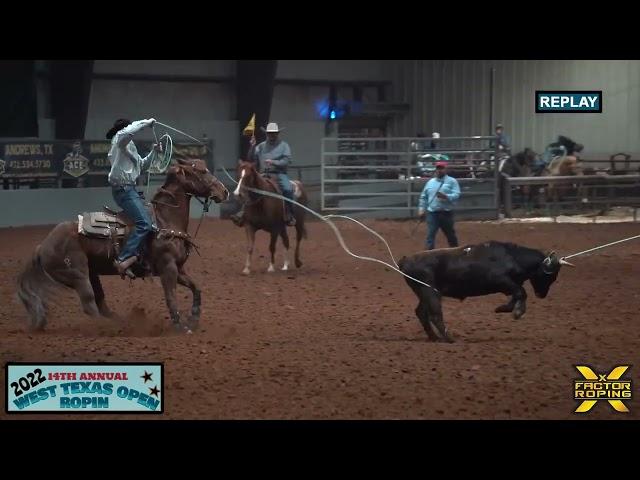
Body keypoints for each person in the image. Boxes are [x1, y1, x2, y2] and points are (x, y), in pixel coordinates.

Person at [106, 117, 160, 279]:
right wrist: (146, 122)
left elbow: (142, 165)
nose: (131, 132)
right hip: (124, 190)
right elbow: (128, 132)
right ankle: (124, 258)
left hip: (130, 190)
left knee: (151, 221)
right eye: (129, 129)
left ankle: (137, 258)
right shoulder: (119, 140)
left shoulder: (129, 146)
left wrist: (154, 152)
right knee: (144, 223)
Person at [232, 122, 296, 227]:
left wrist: (274, 162)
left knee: (288, 189)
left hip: (279, 174)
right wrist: (252, 147)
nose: (272, 135)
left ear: (277, 134)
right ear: (267, 134)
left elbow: (287, 160)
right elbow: (251, 158)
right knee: (250, 187)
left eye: (274, 133)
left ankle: (289, 214)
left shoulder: (284, 146)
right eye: (270, 133)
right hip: (263, 174)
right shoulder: (260, 146)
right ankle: (242, 213)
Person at [418, 161, 461, 250]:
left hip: (446, 213)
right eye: (438, 168)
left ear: (445, 169)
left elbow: (457, 194)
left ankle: (455, 252)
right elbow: (424, 197)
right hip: (432, 213)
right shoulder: (430, 182)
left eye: (441, 168)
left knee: (451, 235)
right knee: (430, 235)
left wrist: (447, 197)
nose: (439, 170)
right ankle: (428, 254)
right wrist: (421, 209)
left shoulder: (452, 181)